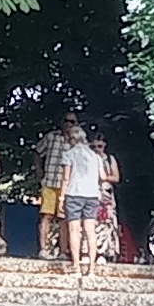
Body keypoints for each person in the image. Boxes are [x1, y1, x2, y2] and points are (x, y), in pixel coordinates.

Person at [50, 112, 108, 281]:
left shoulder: (69, 154)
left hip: (74, 194)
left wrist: (61, 198)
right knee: (90, 231)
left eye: (69, 138)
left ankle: (76, 267)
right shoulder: (96, 156)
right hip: (92, 195)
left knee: (74, 230)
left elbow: (66, 178)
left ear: (73, 139)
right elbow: (103, 177)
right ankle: (91, 269)